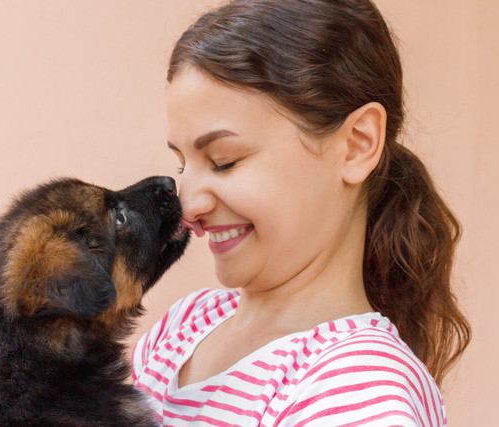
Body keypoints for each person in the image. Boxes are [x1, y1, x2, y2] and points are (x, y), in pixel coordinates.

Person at [130, 1, 471, 425]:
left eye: (224, 161)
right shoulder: (183, 328)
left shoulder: (361, 392)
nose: (190, 206)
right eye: (183, 165)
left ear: (357, 144)